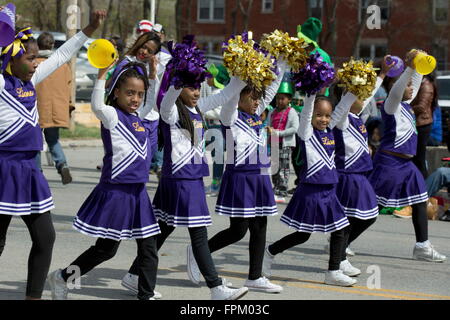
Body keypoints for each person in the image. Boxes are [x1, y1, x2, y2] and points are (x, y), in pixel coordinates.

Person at [122, 55, 250, 300]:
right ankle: (215, 288)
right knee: (199, 235)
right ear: (180, 87)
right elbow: (169, 97)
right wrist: (177, 77)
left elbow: (225, 94)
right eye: (191, 86)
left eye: (198, 86)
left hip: (187, 180)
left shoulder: (198, 108)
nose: (196, 91)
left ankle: (133, 275)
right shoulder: (170, 113)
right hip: (182, 182)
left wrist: (242, 75)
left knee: (163, 229)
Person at [0, 10, 106, 300]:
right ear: (10, 59)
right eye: (30, 58)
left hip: (30, 171)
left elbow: (60, 56)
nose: (36, 63)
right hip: (3, 169)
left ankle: (33, 296)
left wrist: (89, 29)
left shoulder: (30, 82)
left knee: (45, 238)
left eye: (36, 57)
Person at [47, 60, 161, 300]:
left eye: (139, 94)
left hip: (138, 194)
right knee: (105, 250)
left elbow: (151, 102)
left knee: (149, 248)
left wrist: (152, 76)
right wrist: (100, 75)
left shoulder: (140, 116)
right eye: (130, 93)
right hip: (116, 193)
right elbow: (97, 104)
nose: (135, 99)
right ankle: (62, 277)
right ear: (116, 92)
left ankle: (146, 295)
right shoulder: (112, 116)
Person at [187, 59, 289, 294]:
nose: (256, 102)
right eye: (251, 97)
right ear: (239, 97)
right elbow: (231, 98)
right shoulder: (230, 117)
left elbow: (270, 90)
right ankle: (198, 252)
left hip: (260, 177)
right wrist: (240, 76)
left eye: (257, 99)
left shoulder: (257, 115)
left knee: (260, 226)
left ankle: (255, 277)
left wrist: (282, 63)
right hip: (240, 178)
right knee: (238, 230)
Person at [262, 93, 356, 287]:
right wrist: (311, 93)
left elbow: (343, 106)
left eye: (327, 116)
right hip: (311, 191)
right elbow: (305, 114)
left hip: (329, 190)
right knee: (303, 235)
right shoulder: (307, 133)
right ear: (312, 116)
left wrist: (355, 88)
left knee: (340, 229)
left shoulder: (330, 129)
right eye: (319, 115)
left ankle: (333, 271)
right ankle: (270, 251)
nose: (324, 119)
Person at [368, 50, 446, 262]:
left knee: (421, 199)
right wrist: (410, 66)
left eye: (413, 85)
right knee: (368, 207)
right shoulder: (391, 106)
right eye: (408, 85)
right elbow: (400, 87)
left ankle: (422, 245)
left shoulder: (406, 107)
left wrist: (418, 65)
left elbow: (416, 82)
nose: (413, 88)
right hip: (388, 163)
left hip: (407, 164)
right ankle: (340, 240)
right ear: (396, 88)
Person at [329, 55, 394, 277]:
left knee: (368, 215)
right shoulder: (343, 117)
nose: (364, 97)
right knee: (349, 219)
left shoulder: (357, 116)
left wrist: (382, 75)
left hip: (360, 175)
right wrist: (348, 85)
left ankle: (341, 253)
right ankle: (338, 259)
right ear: (348, 96)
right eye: (358, 94)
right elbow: (350, 99)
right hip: (347, 176)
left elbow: (366, 98)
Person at [35, 32, 73, 185]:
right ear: (52, 45)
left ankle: (37, 171)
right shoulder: (62, 64)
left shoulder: (33, 63)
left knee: (35, 141)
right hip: (56, 108)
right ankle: (62, 164)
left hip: (37, 108)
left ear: (38, 45)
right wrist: (69, 106)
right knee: (53, 140)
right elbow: (68, 87)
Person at [267, 81, 299, 203]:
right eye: (278, 98)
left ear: (289, 99)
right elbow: (269, 125)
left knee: (283, 167)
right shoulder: (272, 112)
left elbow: (294, 128)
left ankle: (282, 190)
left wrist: (278, 133)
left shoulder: (292, 112)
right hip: (274, 143)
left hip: (285, 144)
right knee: (274, 167)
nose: (280, 101)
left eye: (283, 98)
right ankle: (276, 187)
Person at [203, 64, 230, 196]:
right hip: (212, 128)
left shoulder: (219, 93)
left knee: (218, 157)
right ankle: (215, 183)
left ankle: (217, 185)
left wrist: (204, 111)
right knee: (215, 157)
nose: (207, 77)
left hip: (218, 128)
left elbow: (220, 114)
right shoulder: (216, 91)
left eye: (210, 75)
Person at [411, 74, 438, 179]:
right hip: (419, 123)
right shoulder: (421, 84)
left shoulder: (426, 86)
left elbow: (421, 107)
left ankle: (423, 184)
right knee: (415, 157)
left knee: (419, 158)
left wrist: (405, 109)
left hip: (422, 124)